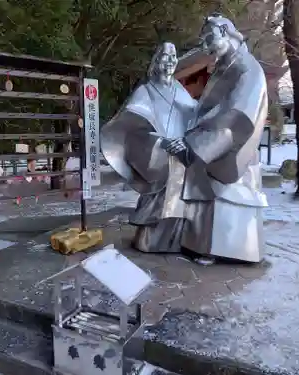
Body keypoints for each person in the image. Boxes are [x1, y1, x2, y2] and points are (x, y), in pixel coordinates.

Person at [161, 14, 269, 263]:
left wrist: (194, 142)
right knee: (205, 197)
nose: (207, 46)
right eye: (205, 41)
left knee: (226, 200)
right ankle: (199, 244)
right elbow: (208, 109)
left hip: (229, 145)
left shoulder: (248, 69)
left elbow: (237, 113)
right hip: (212, 140)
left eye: (211, 38)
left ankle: (224, 250)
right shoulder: (224, 67)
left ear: (227, 32)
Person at [101, 42, 199, 253]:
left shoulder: (180, 90)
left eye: (173, 57)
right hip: (157, 154)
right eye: (165, 56)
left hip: (180, 155)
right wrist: (161, 142)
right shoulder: (145, 91)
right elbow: (134, 124)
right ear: (156, 62)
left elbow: (194, 115)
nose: (170, 61)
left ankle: (175, 239)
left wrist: (187, 141)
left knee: (180, 200)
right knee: (157, 199)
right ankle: (150, 239)